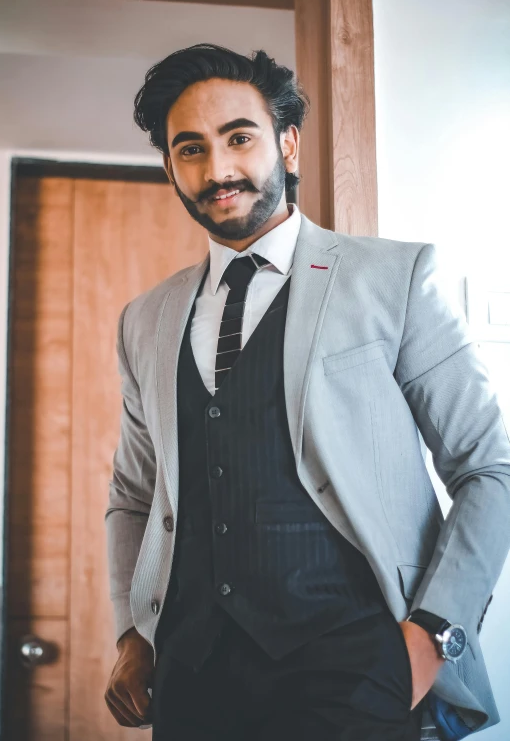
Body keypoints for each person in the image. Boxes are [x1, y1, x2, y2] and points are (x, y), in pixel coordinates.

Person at [104, 43, 510, 740]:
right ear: (170, 167)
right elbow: (133, 497)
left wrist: (432, 634)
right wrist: (132, 633)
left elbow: (489, 467)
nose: (219, 168)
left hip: (355, 668)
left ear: (287, 143)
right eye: (190, 149)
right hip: (193, 677)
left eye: (239, 137)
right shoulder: (146, 318)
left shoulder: (394, 279)